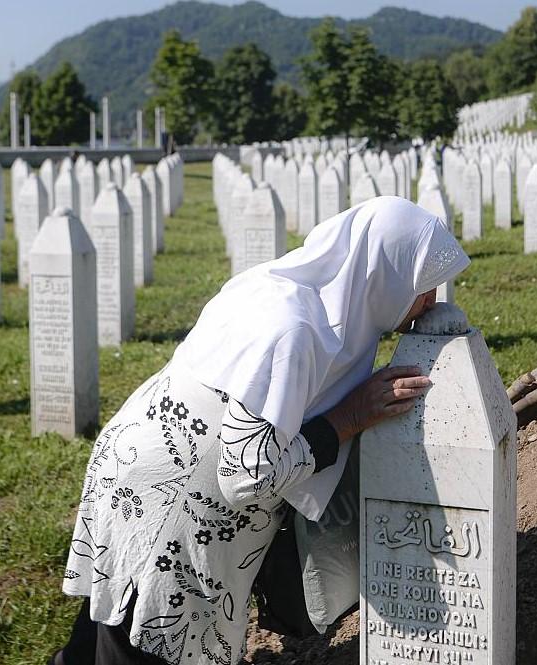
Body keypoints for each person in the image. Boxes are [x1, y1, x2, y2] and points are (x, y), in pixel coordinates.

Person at [54, 195, 469, 665]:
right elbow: (247, 475)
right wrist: (350, 417)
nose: (430, 303)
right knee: (141, 641)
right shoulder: (295, 331)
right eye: (423, 287)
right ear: (384, 274)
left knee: (103, 631)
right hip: (172, 508)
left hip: (134, 465)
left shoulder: (282, 286)